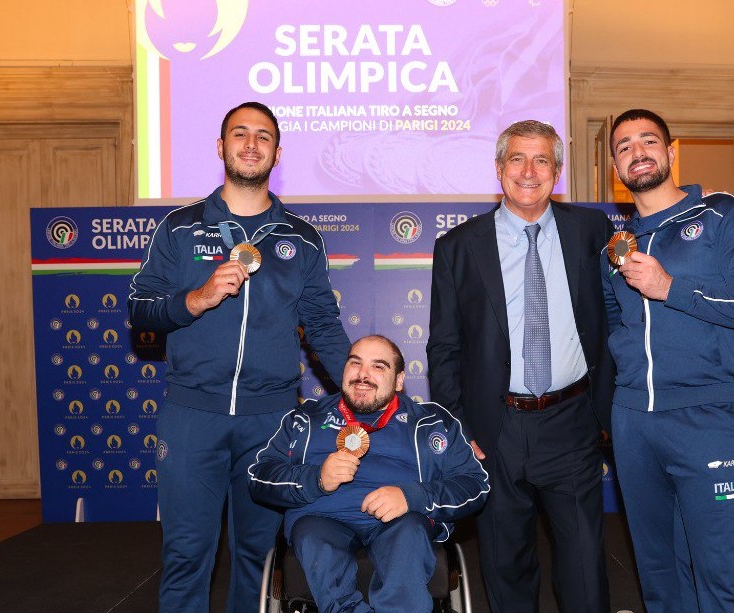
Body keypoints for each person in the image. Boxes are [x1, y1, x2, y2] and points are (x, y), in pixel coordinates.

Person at [128, 101, 351, 613]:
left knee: (260, 556)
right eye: (240, 134)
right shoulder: (180, 229)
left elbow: (323, 327)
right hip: (192, 417)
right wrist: (196, 299)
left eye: (263, 137)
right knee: (187, 553)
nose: (251, 145)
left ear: (277, 152)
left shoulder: (301, 237)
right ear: (221, 146)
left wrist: (363, 392)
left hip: (271, 422)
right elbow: (140, 309)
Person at [427, 120, 614, 612]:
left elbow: (613, 324)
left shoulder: (591, 231)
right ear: (498, 169)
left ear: (558, 171)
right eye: (517, 159)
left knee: (583, 567)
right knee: (506, 565)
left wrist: (609, 412)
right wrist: (459, 426)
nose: (529, 172)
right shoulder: (458, 247)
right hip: (495, 430)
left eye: (541, 160)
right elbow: (444, 346)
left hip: (571, 422)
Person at [602, 108, 734, 613]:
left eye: (648, 141)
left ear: (671, 151)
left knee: (721, 574)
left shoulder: (725, 213)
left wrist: (671, 288)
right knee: (659, 577)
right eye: (624, 147)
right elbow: (618, 326)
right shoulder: (615, 248)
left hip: (707, 418)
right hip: (635, 424)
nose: (637, 152)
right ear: (616, 168)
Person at [248, 334, 489, 613]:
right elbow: (259, 476)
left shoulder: (432, 421)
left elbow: (476, 485)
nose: (363, 374)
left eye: (378, 366)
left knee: (409, 537)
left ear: (399, 380)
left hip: (402, 521)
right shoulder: (306, 418)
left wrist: (412, 496)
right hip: (321, 518)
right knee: (314, 540)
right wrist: (315, 479)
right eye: (355, 363)